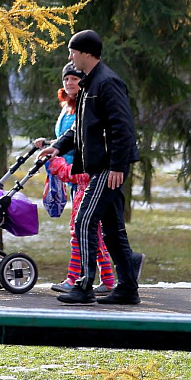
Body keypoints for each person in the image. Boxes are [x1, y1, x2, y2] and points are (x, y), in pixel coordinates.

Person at [38, 30, 144, 305]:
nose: (70, 56)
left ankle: (83, 286)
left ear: (86, 53)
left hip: (108, 168)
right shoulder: (90, 85)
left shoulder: (107, 83)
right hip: (100, 167)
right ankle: (127, 288)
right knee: (112, 228)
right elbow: (80, 128)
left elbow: (122, 127)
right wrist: (58, 147)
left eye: (73, 51)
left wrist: (118, 166)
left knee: (85, 219)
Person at [39, 62, 115, 296]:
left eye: (75, 79)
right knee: (89, 229)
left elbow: (83, 140)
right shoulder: (69, 108)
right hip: (72, 174)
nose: (70, 83)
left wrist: (57, 163)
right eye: (66, 79)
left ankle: (75, 278)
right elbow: (66, 138)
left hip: (83, 173)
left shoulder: (87, 106)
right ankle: (109, 279)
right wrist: (50, 147)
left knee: (80, 228)